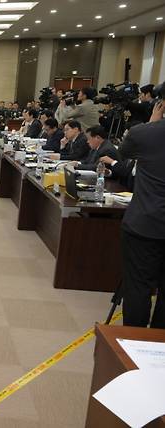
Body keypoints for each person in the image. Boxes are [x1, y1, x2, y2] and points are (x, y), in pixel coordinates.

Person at [118, 100, 165, 328]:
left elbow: (124, 152)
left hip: (145, 223)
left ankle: (136, 343)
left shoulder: (144, 133)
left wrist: (152, 123)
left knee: (138, 286)